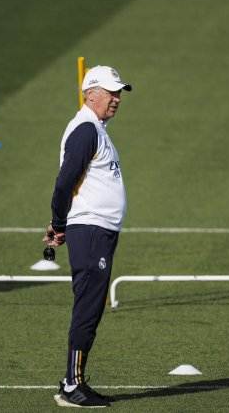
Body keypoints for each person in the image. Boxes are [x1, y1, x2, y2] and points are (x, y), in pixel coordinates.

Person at [44, 65, 132, 408]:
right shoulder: (85, 129)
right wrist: (59, 222)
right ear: (90, 93)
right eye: (110, 92)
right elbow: (65, 181)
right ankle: (71, 385)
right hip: (90, 230)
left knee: (92, 306)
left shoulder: (95, 128)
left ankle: (75, 380)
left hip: (98, 229)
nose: (116, 99)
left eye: (118, 93)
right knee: (88, 305)